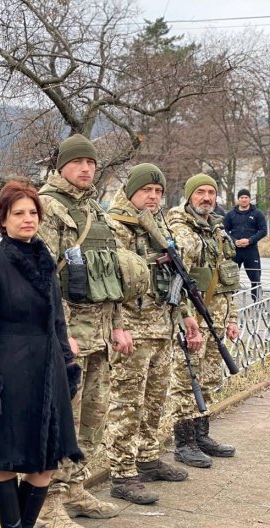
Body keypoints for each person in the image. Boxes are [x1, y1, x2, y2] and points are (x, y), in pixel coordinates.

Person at [0, 180, 83, 528]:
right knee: (3, 461)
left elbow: (57, 320)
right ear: (3, 220)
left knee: (45, 463)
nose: (28, 218)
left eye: (33, 212)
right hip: (9, 373)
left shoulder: (46, 263)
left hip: (48, 372)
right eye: (18, 213)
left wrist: (68, 363)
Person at [36, 134, 132, 528]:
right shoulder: (47, 207)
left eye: (91, 162)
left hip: (100, 335)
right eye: (78, 162)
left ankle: (75, 488)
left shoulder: (94, 209)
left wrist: (119, 325)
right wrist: (60, 335)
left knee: (93, 419)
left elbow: (111, 273)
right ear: (62, 166)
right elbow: (42, 277)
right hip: (70, 337)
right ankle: (47, 504)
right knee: (62, 420)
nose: (86, 168)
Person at [106, 164, 202, 505]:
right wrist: (117, 326)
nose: (153, 196)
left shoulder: (157, 223)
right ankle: (121, 473)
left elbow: (173, 276)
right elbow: (110, 282)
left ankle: (147, 457)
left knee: (154, 400)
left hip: (162, 325)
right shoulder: (115, 225)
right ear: (132, 190)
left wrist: (186, 315)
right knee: (126, 403)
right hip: (132, 329)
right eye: (147, 190)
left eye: (158, 191)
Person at [166, 174, 240, 469]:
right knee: (186, 381)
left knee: (208, 379)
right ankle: (184, 443)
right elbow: (176, 279)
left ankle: (201, 435)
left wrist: (232, 317)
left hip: (216, 320)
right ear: (189, 196)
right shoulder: (180, 229)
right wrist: (185, 320)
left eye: (211, 192)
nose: (206, 198)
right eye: (200, 192)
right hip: (193, 321)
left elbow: (227, 278)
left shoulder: (217, 229)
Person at [223, 188, 267, 302]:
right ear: (238, 199)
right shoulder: (231, 214)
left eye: (246, 197)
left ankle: (257, 302)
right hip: (234, 250)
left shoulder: (257, 213)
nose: (244, 199)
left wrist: (250, 240)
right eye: (241, 197)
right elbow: (224, 230)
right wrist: (234, 241)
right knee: (230, 277)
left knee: (255, 278)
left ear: (249, 199)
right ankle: (230, 302)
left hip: (251, 251)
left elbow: (263, 230)